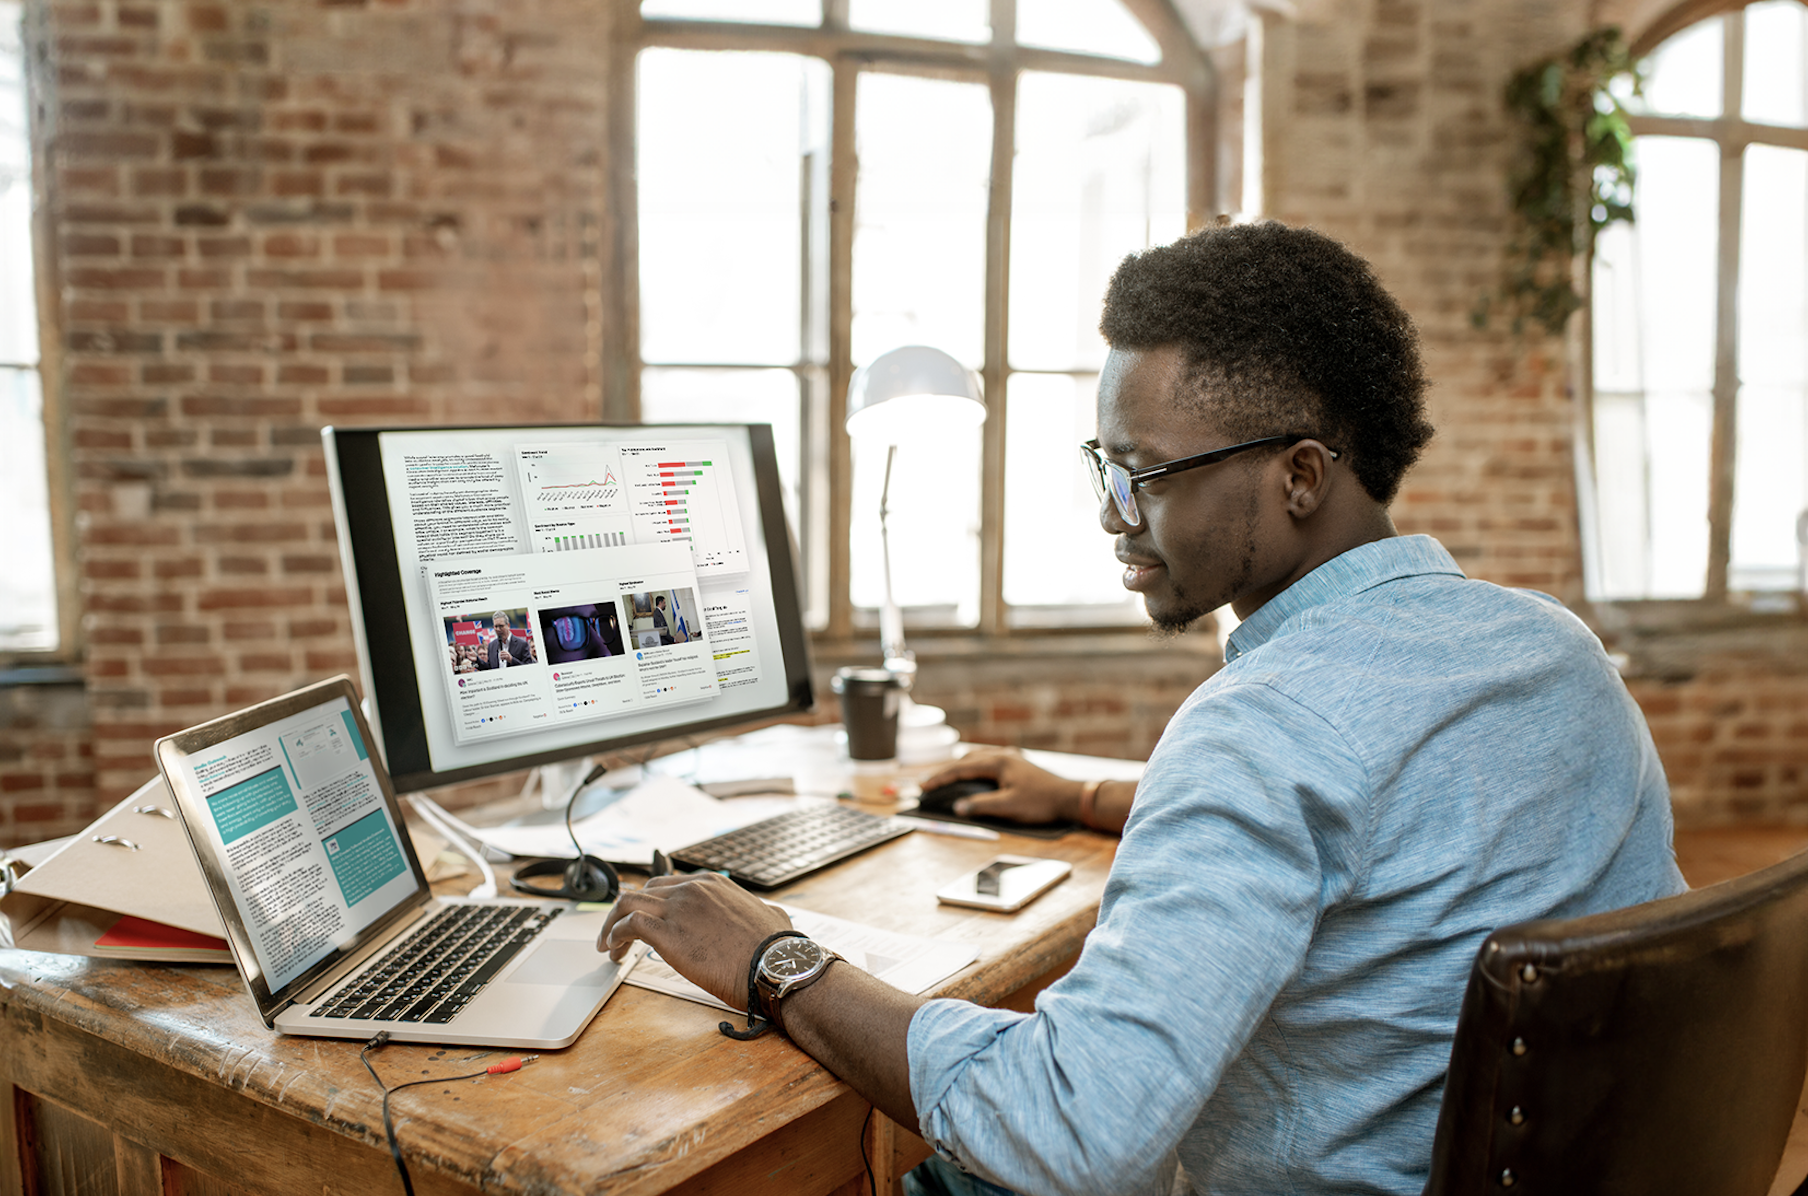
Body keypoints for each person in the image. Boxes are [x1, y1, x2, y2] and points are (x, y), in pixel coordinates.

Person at [597, 221, 1683, 1196]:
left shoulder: (1260, 728)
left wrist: (775, 959)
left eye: (1145, 475)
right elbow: (1398, 828)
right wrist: (1085, 793)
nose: (1111, 516)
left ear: (1299, 475)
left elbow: (1074, 1133)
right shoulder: (1549, 649)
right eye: (1101, 467)